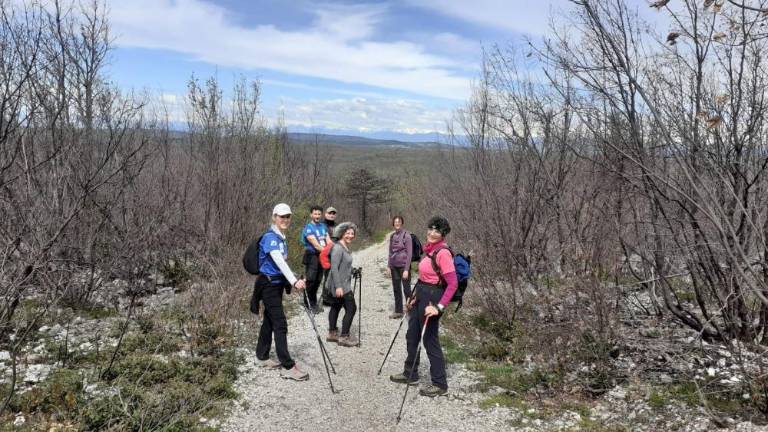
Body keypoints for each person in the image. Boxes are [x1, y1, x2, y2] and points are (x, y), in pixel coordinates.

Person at [390, 216, 456, 397]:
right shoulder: (429, 250)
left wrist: (439, 307)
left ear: (442, 235)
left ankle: (440, 383)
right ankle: (410, 373)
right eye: (431, 229)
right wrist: (413, 296)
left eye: (437, 231)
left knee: (429, 339)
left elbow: (452, 284)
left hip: (434, 297)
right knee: (412, 335)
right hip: (421, 293)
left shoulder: (443, 253)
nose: (432, 233)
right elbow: (423, 278)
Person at [255, 203, 309, 381]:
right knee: (280, 323)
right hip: (268, 286)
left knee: (270, 321)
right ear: (274, 217)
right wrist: (294, 282)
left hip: (276, 285)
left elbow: (283, 266)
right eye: (281, 216)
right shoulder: (271, 238)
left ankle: (262, 356)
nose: (285, 220)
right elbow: (279, 262)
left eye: (288, 217)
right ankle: (287, 366)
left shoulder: (281, 237)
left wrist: (294, 278)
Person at [324, 222, 359, 347]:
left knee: (336, 306)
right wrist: (338, 286)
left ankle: (332, 333)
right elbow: (334, 268)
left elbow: (344, 265)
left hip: (342, 283)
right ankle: (344, 336)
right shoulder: (338, 248)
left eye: (352, 233)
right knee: (351, 308)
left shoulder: (344, 247)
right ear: (342, 233)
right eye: (348, 233)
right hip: (341, 285)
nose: (350, 235)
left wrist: (353, 270)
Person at [302, 205, 330, 313]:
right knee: (311, 279)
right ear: (311, 215)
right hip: (312, 256)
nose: (317, 216)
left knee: (318, 280)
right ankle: (307, 302)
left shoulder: (323, 226)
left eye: (319, 214)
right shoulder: (308, 228)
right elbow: (316, 245)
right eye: (315, 214)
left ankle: (313, 302)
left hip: (322, 256)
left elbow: (328, 241)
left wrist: (333, 249)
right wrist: (328, 253)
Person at [387, 215, 413, 319]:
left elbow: (410, 254)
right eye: (395, 222)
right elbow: (390, 252)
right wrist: (389, 265)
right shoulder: (392, 236)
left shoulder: (407, 236)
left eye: (399, 222)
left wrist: (407, 269)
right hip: (394, 267)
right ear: (393, 224)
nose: (397, 223)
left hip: (403, 267)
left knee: (407, 290)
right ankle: (398, 311)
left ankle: (411, 311)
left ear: (402, 223)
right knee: (396, 289)